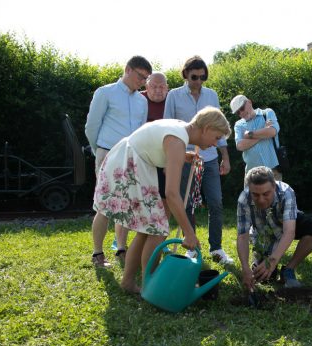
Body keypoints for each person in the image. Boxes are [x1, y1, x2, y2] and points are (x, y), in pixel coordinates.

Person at [92, 107, 231, 293]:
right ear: (205, 128)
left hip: (128, 159)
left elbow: (156, 145)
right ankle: (151, 285)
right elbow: (172, 193)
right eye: (216, 137)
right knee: (157, 229)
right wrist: (189, 233)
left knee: (148, 230)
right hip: (130, 165)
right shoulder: (177, 141)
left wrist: (184, 156)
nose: (216, 144)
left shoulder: (181, 131)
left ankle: (129, 282)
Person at [163, 56, 233, 265]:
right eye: (194, 76)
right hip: (184, 157)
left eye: (203, 77)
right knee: (187, 203)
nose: (199, 81)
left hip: (210, 158)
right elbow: (168, 127)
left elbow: (220, 129)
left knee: (216, 202)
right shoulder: (174, 96)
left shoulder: (212, 95)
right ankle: (191, 246)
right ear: (185, 74)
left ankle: (217, 248)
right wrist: (169, 161)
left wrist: (225, 158)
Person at [85, 55, 152, 268]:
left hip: (132, 157)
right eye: (140, 76)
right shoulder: (105, 93)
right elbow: (91, 127)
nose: (142, 82)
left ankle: (121, 249)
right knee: (105, 206)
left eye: (145, 79)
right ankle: (97, 253)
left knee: (127, 205)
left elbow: (140, 131)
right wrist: (101, 152)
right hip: (108, 154)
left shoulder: (142, 100)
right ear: (128, 69)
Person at [236, 166, 312, 290]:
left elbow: (289, 232)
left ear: (274, 186)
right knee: (266, 276)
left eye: (266, 194)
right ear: (249, 189)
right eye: (255, 195)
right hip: (264, 234)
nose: (261, 200)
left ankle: (289, 269)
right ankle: (257, 261)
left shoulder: (286, 192)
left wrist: (273, 260)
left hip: (287, 223)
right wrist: (245, 268)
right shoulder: (243, 199)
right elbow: (242, 236)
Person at [231, 95, 283, 182]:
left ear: (249, 102)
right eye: (237, 112)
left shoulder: (267, 113)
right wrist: (262, 133)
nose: (241, 113)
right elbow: (240, 146)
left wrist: (248, 135)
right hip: (252, 174)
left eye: (242, 108)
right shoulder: (238, 124)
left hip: (273, 171)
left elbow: (272, 132)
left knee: (276, 195)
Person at [141, 72, 171, 218]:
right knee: (140, 195)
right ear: (146, 86)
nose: (158, 90)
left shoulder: (172, 100)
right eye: (154, 86)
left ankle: (162, 226)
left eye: (162, 87)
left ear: (167, 88)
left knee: (166, 194)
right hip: (143, 156)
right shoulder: (138, 99)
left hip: (165, 156)